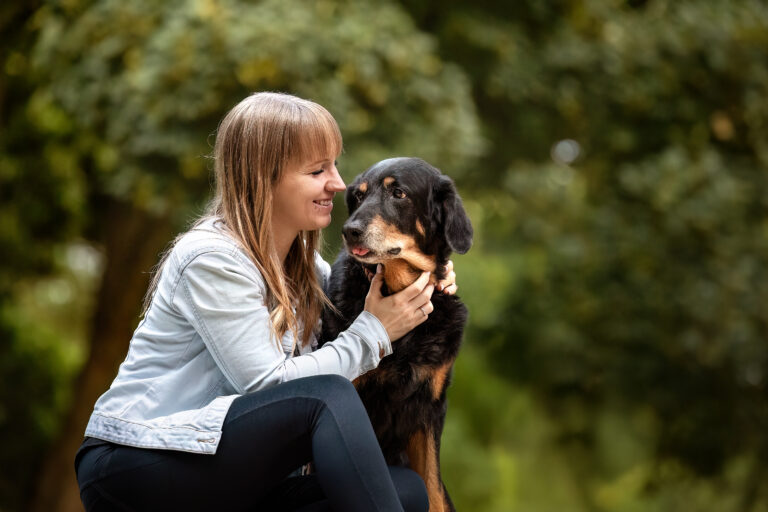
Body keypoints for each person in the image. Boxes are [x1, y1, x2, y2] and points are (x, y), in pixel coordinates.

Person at [74, 91, 458, 511]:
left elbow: (353, 290)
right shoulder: (211, 258)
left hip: (231, 473)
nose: (338, 183)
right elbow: (268, 385)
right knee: (326, 396)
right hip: (139, 460)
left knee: (406, 489)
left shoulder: (305, 269)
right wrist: (375, 332)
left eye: (334, 165)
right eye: (317, 170)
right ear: (264, 177)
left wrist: (424, 276)